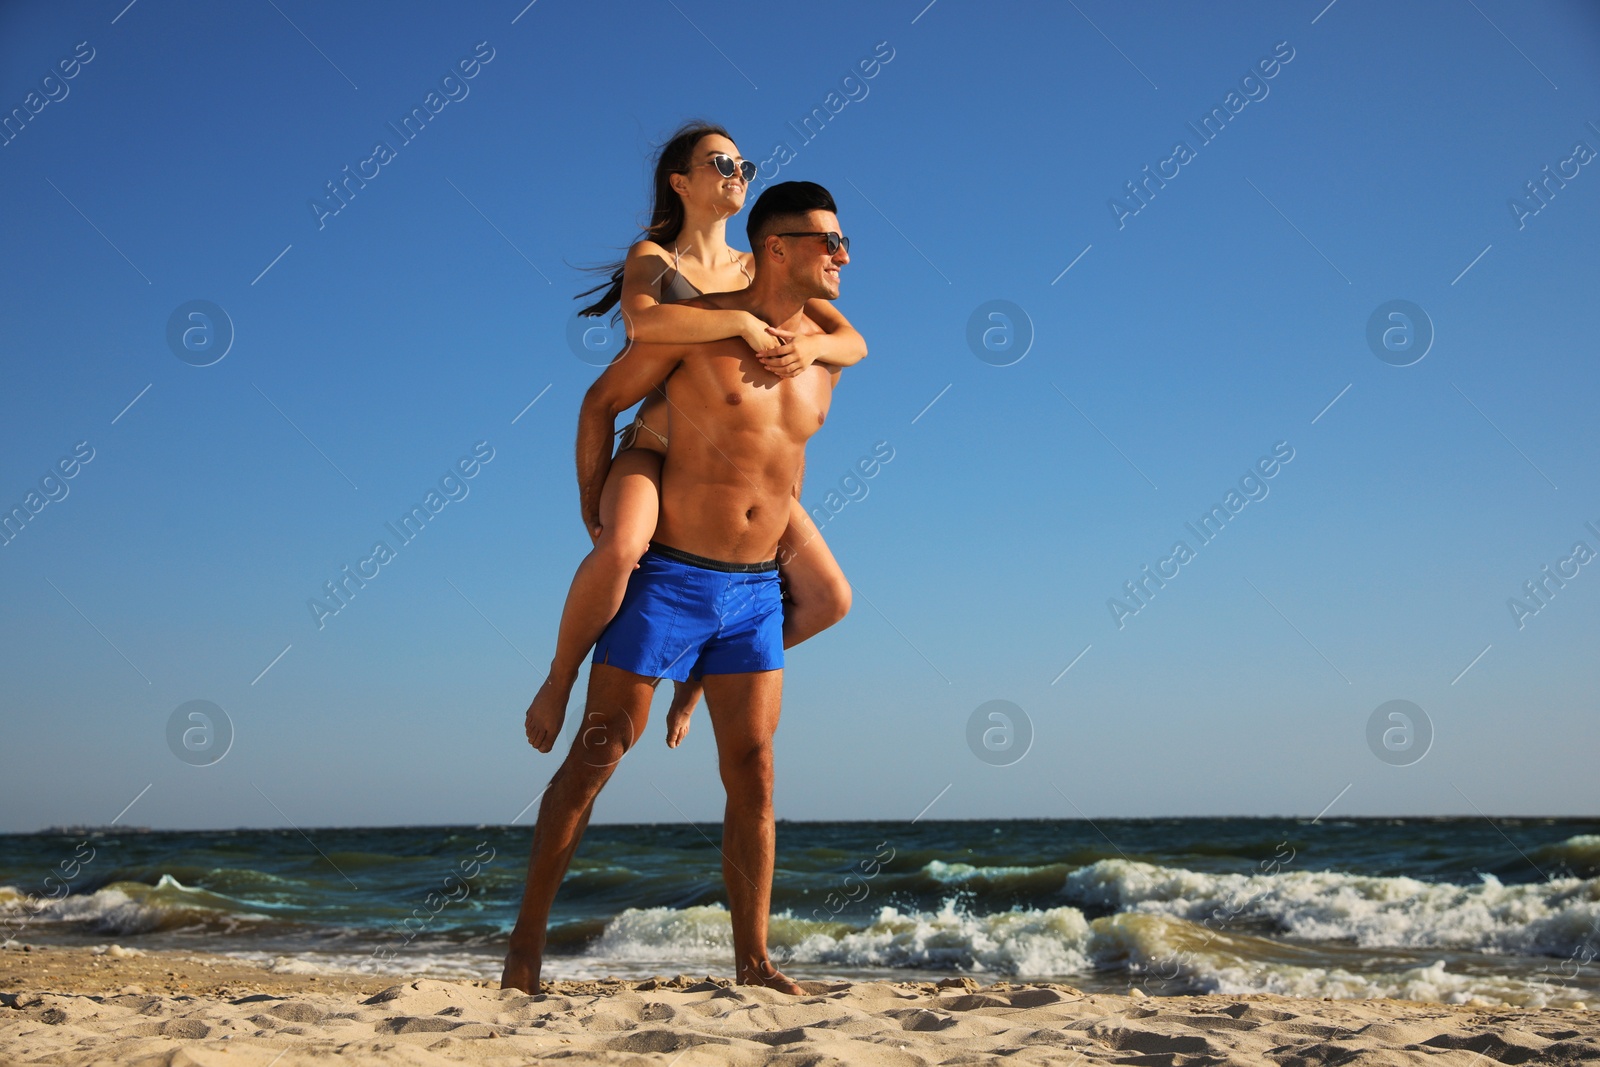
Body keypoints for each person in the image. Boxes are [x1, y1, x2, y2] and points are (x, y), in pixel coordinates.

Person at [501, 181, 851, 995]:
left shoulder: (825, 351)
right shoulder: (700, 333)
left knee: (755, 772)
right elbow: (602, 398)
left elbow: (860, 346)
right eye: (826, 241)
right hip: (671, 579)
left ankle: (753, 958)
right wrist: (596, 508)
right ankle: (525, 948)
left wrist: (828, 345)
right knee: (596, 756)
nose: (841, 255)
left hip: (757, 590)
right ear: (776, 247)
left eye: (844, 242)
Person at [524, 122, 863, 754]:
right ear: (681, 183)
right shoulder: (656, 260)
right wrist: (736, 319)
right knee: (622, 546)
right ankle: (559, 677)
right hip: (659, 448)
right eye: (720, 164)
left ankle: (700, 676)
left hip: (746, 467)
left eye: (744, 167)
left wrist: (813, 343)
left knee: (830, 598)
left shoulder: (759, 262)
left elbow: (854, 341)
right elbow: (644, 324)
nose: (737, 175)